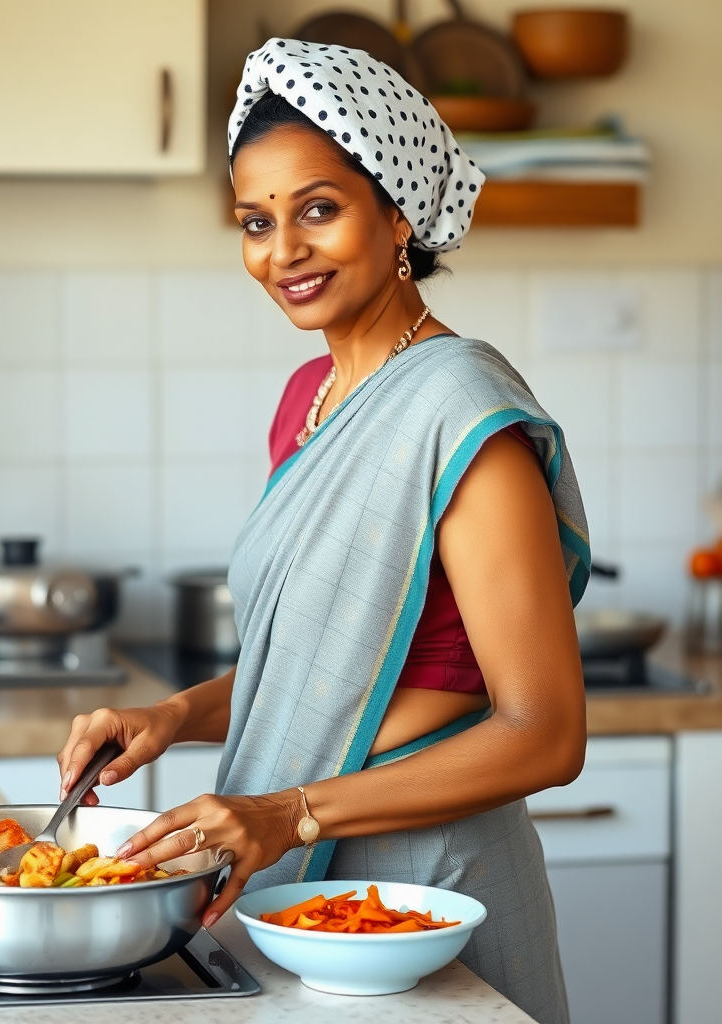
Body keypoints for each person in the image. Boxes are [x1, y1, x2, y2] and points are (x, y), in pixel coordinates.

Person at [58, 38, 589, 1024]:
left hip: (421, 883)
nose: (281, 251)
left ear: (396, 214)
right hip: (290, 883)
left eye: (317, 208)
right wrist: (173, 715)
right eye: (255, 222)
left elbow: (546, 733)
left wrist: (286, 810)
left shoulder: (457, 411)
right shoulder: (311, 397)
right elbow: (317, 671)